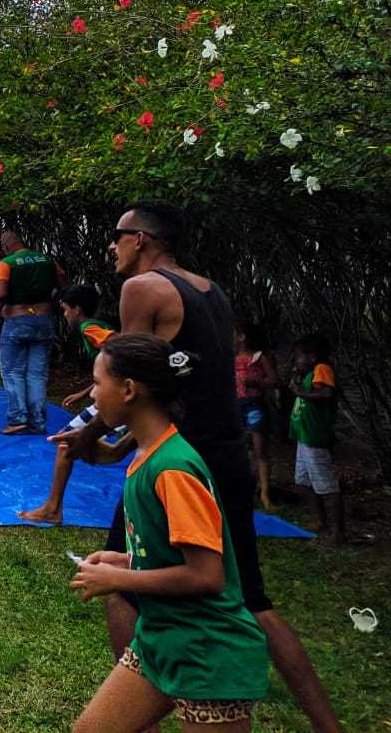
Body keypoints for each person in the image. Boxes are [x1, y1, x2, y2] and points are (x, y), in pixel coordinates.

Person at [52, 201, 339, 732]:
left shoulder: (140, 289)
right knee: (250, 596)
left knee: (123, 583)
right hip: (223, 452)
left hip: (180, 459)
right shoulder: (208, 287)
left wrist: (90, 431)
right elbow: (181, 381)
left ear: (140, 239)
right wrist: (116, 447)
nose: (112, 247)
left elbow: (131, 369)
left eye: (117, 237)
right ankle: (329, 725)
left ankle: (143, 707)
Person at [70, 334, 268, 733]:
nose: (93, 393)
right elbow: (175, 554)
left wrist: (118, 579)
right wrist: (124, 559)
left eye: (97, 382)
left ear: (128, 390)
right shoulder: (147, 455)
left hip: (208, 653)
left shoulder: (173, 469)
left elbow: (206, 575)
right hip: (160, 641)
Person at [17, 285, 114, 524]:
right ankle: (53, 507)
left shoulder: (88, 327)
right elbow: (111, 367)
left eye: (65, 309)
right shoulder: (99, 325)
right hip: (113, 396)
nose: (65, 314)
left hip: (119, 401)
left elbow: (120, 351)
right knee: (67, 441)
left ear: (77, 309)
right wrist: (84, 393)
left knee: (64, 441)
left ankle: (52, 509)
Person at [0, 230, 66, 435]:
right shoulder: (47, 260)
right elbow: (63, 282)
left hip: (16, 321)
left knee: (13, 372)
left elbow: (0, 294)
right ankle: (37, 422)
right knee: (37, 374)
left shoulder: (6, 263)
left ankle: (18, 418)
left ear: (6, 246)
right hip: (44, 321)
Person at [289, 334, 341, 545]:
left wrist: (300, 392)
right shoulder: (311, 373)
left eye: (299, 357)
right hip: (304, 437)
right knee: (304, 480)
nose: (296, 361)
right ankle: (319, 520)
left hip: (315, 437)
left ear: (312, 356)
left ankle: (337, 532)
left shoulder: (322, 369)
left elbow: (327, 394)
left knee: (325, 484)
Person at [236, 323, 279, 511]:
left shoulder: (259, 358)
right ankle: (247, 490)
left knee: (260, 450)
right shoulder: (229, 359)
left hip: (255, 406)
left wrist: (257, 382)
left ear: (242, 337)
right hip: (235, 408)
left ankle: (265, 494)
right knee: (240, 452)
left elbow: (275, 381)